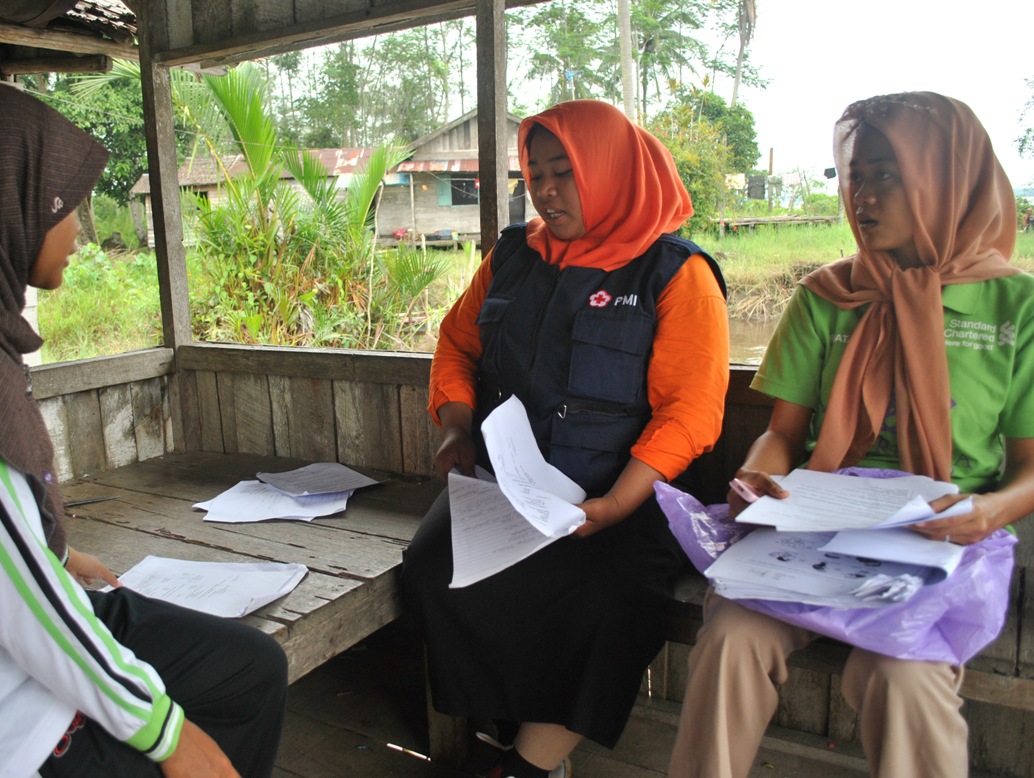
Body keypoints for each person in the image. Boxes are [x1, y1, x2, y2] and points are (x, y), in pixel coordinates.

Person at [0, 82, 288, 778]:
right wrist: (167, 734)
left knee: (251, 667)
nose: (77, 230)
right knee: (175, 744)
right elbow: (25, 606)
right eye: (60, 208)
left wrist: (57, 557)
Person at [668, 92, 1034, 778]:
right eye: (853, 176)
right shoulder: (826, 296)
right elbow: (783, 436)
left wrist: (988, 512)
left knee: (904, 678)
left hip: (941, 535)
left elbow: (1029, 470)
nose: (861, 197)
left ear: (945, 179)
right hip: (817, 525)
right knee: (731, 640)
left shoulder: (1018, 306)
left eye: (885, 175)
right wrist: (757, 477)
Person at [400, 100, 730, 778]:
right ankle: (505, 733)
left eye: (565, 172)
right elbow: (457, 343)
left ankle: (529, 766)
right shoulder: (514, 257)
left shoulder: (676, 273)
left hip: (627, 494)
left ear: (610, 172)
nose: (546, 191)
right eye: (536, 175)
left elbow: (690, 412)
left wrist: (615, 505)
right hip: (511, 486)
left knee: (607, 597)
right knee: (434, 570)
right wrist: (456, 424)